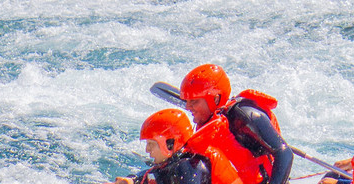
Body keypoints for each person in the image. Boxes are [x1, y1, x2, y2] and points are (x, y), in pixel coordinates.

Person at [179, 63, 293, 184]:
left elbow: (285, 153)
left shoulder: (246, 116)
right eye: (187, 101)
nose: (187, 107)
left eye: (194, 101)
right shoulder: (208, 122)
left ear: (216, 99)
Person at [111, 108, 241, 184]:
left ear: (170, 144)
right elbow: (155, 173)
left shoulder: (191, 166)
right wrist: (132, 180)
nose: (147, 150)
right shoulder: (176, 160)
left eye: (151, 144)